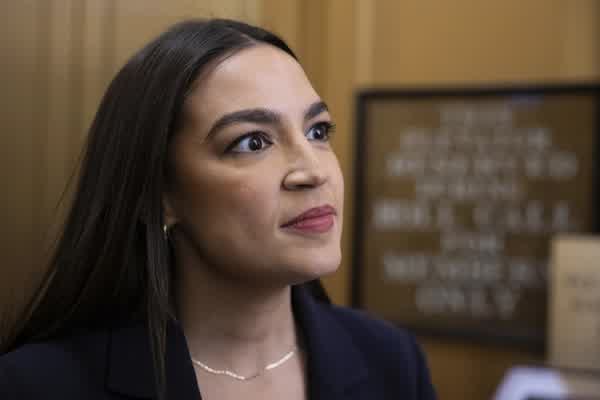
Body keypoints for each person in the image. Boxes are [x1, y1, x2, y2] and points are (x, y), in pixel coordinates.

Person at [0, 19, 436, 400]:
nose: (313, 171)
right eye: (253, 142)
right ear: (159, 196)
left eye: (317, 131)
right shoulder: (36, 385)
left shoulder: (392, 360)